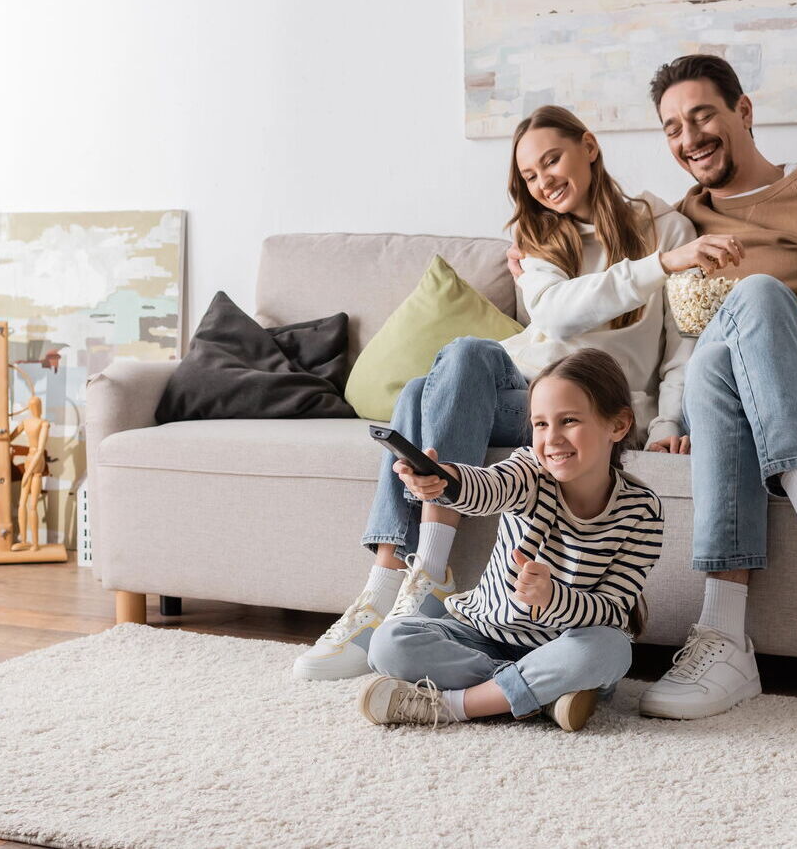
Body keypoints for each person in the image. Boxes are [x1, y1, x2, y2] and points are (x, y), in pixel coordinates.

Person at [506, 56, 797, 720]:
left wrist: (784, 317)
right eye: (672, 128)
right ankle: (724, 636)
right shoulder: (684, 222)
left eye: (702, 116)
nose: (689, 138)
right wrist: (532, 244)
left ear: (743, 111)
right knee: (714, 363)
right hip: (733, 400)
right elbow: (626, 266)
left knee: (758, 295)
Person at [293, 105, 738, 681]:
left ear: (589, 147)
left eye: (552, 160)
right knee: (447, 371)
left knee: (424, 391)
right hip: (522, 396)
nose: (544, 181)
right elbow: (557, 313)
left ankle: (404, 584)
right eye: (530, 175)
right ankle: (401, 580)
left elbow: (683, 343)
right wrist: (662, 266)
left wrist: (669, 421)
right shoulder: (538, 237)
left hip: (589, 405)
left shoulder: (667, 229)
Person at [358, 349, 661, 732]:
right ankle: (541, 696)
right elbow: (486, 487)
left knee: (612, 649)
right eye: (540, 424)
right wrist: (445, 481)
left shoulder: (642, 510)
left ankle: (456, 705)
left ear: (617, 425)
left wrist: (553, 599)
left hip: (563, 645)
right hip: (482, 634)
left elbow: (612, 611)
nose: (552, 439)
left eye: (568, 421)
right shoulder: (529, 470)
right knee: (388, 641)